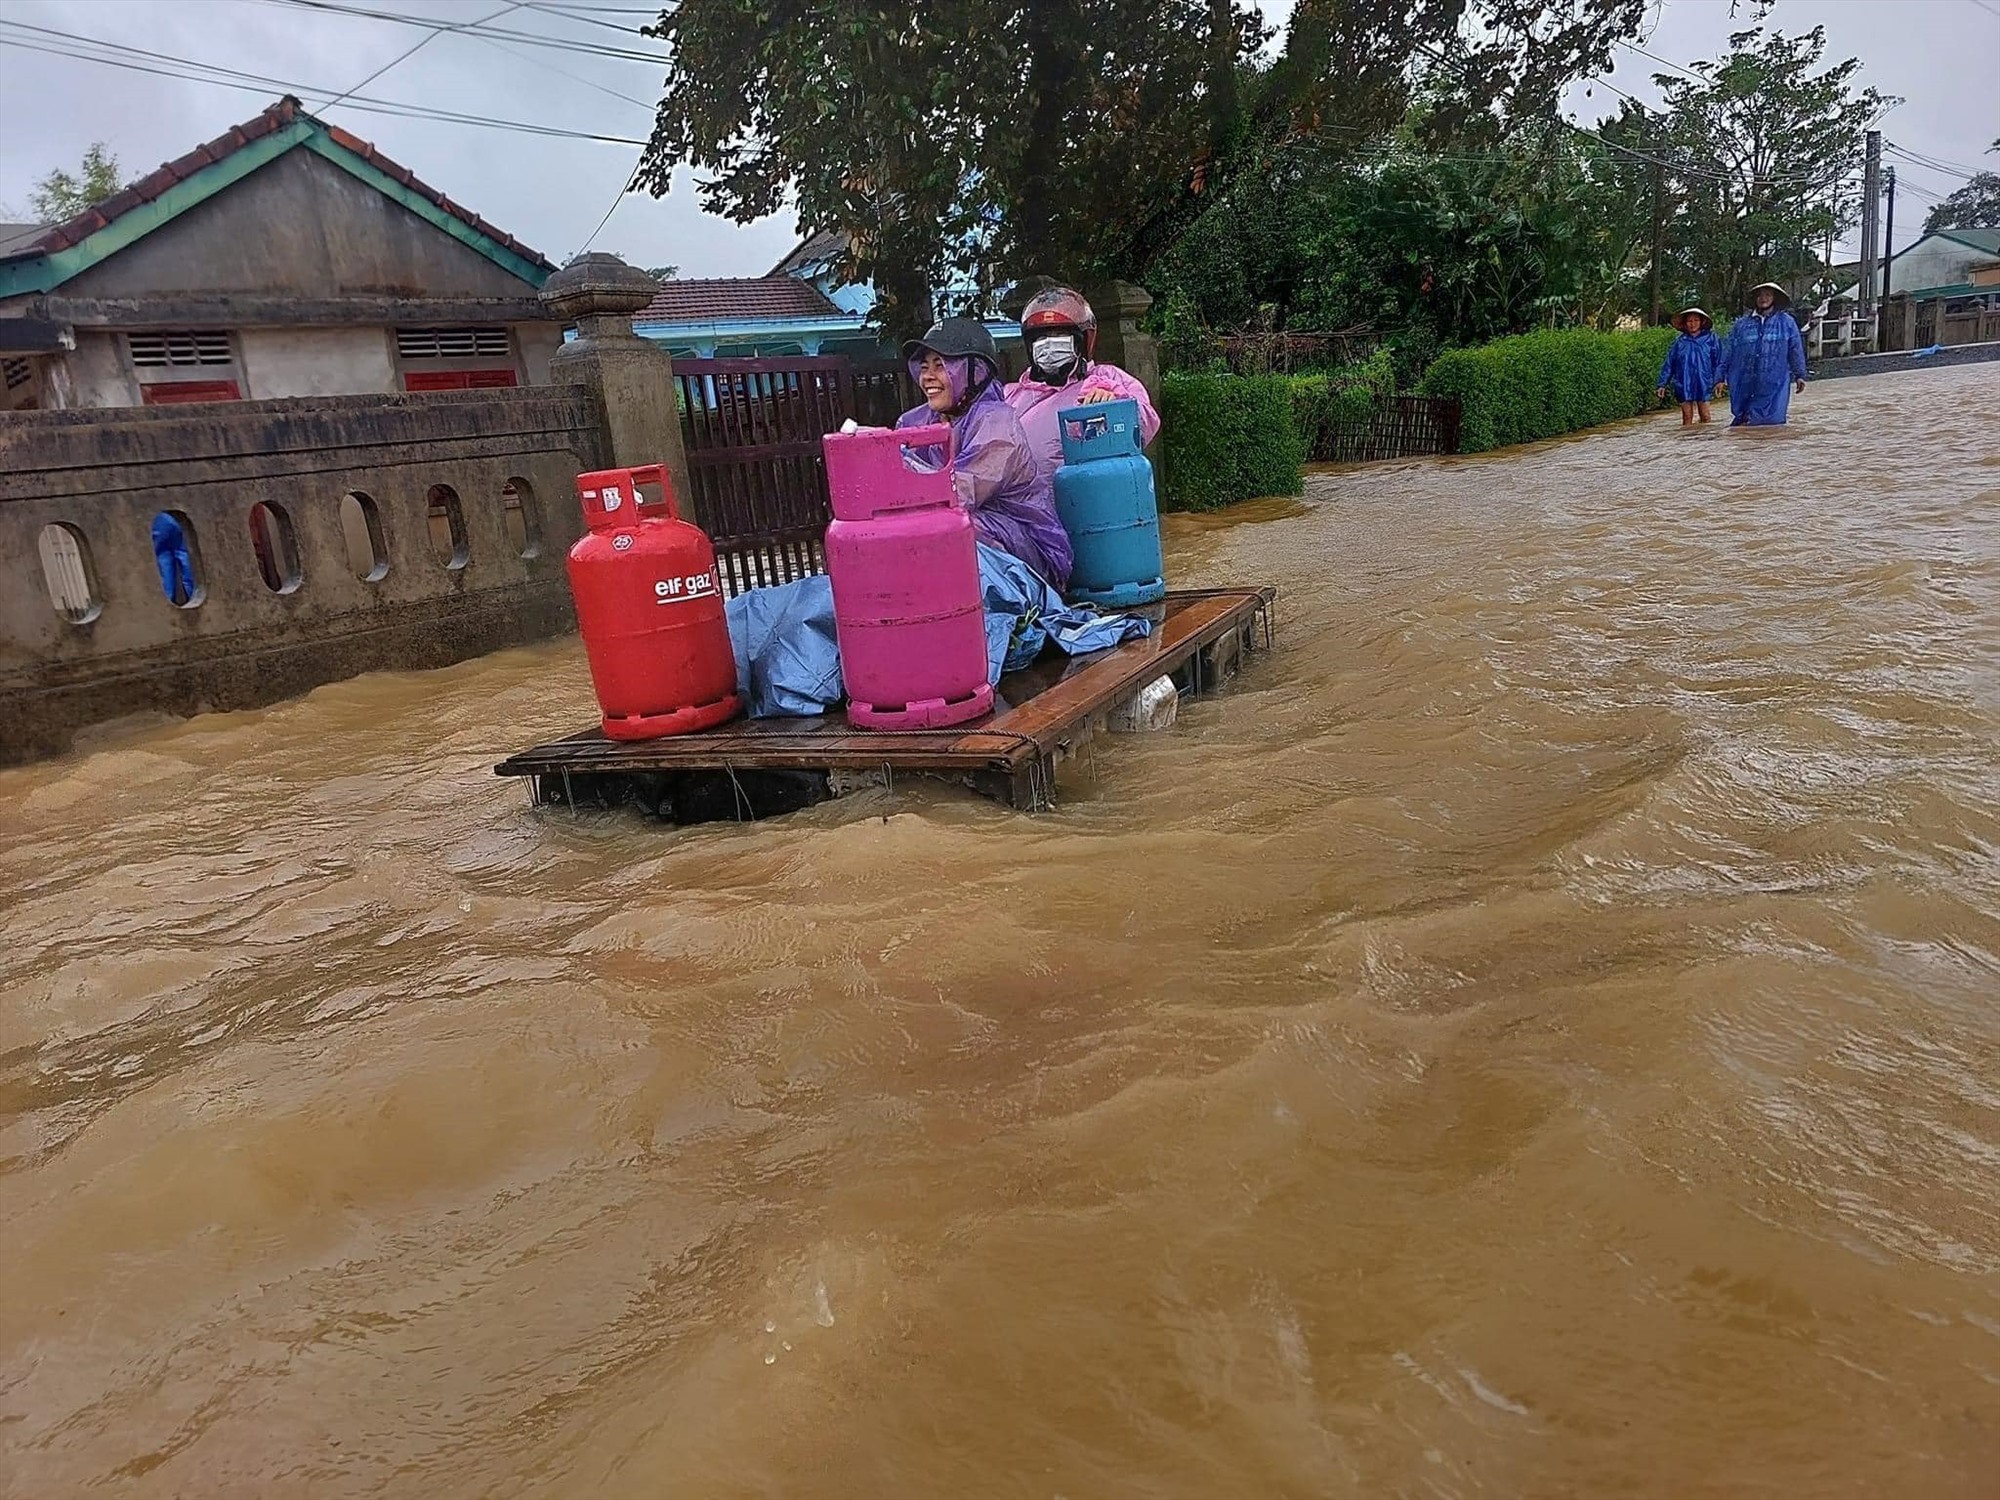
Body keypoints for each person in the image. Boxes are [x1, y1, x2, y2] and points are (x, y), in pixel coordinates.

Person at [896, 315, 1072, 591]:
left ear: (974, 371)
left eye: (940, 366)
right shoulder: (916, 422)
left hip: (1030, 557)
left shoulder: (997, 423)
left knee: (953, 528)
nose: (927, 376)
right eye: (924, 366)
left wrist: (899, 466)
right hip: (977, 543)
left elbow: (958, 494)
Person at [1002, 286, 1160, 481]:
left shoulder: (1107, 378)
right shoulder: (1011, 396)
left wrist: (1116, 403)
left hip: (1089, 500)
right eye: (1041, 337)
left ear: (1081, 341)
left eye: (1059, 334)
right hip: (1024, 507)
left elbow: (1145, 421)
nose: (1049, 344)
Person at [1722, 281, 1807, 427]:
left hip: (1774, 381)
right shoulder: (1741, 325)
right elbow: (1729, 352)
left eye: (1768, 295)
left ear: (1775, 298)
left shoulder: (1787, 323)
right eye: (1760, 295)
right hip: (1745, 381)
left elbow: (1795, 349)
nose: (1763, 298)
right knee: (1743, 422)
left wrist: (1800, 375)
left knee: (1772, 423)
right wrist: (1720, 377)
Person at [1655, 306, 1722, 426]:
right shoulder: (1680, 342)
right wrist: (1662, 384)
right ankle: (1687, 442)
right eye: (1689, 321)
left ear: (1702, 322)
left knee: (1705, 416)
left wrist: (1720, 380)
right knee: (1687, 418)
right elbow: (1669, 364)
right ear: (1685, 324)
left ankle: (1705, 442)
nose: (1693, 324)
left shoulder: (1711, 338)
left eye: (1696, 320)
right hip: (1683, 382)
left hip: (1704, 381)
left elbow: (1719, 360)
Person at [151, 511, 195, 605]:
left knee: (162, 558)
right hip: (179, 513)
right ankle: (192, 597)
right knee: (186, 554)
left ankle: (165, 602)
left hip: (156, 516)